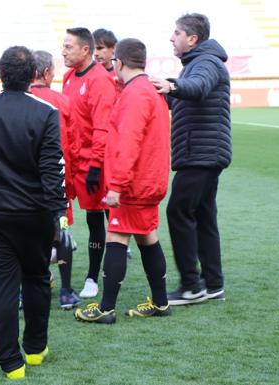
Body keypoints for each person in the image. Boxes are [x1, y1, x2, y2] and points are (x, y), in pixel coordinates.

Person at [0, 46, 67, 380]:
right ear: (33, 75)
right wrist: (57, 212)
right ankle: (35, 349)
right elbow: (53, 167)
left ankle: (11, 363)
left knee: (2, 283)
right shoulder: (45, 112)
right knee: (36, 277)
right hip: (33, 213)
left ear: (1, 75)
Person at [74, 38, 171, 323]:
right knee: (146, 235)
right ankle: (161, 303)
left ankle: (105, 309)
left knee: (116, 236)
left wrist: (116, 184)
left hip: (133, 183)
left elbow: (128, 142)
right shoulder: (148, 91)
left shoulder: (135, 94)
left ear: (119, 62)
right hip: (150, 180)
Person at [150, 13, 232, 305]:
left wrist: (172, 85)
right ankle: (213, 283)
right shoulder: (196, 64)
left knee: (178, 211)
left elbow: (196, 88)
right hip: (201, 152)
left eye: (176, 33)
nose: (172, 38)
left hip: (201, 153)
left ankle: (190, 286)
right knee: (204, 216)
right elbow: (179, 96)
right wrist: (151, 89)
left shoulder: (206, 63)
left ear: (192, 39)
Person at [61, 27, 116, 299]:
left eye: (69, 47)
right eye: (63, 46)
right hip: (77, 164)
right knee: (93, 219)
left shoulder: (100, 80)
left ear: (85, 50)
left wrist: (96, 165)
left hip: (101, 165)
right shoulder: (69, 77)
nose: (63, 51)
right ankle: (96, 275)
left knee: (112, 221)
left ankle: (95, 277)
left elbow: (102, 127)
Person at [29, 50, 80, 310]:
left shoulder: (21, 100)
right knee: (62, 234)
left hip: (25, 184)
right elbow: (73, 145)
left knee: (26, 236)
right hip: (57, 181)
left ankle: (28, 289)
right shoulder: (62, 101)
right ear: (48, 72)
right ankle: (67, 292)